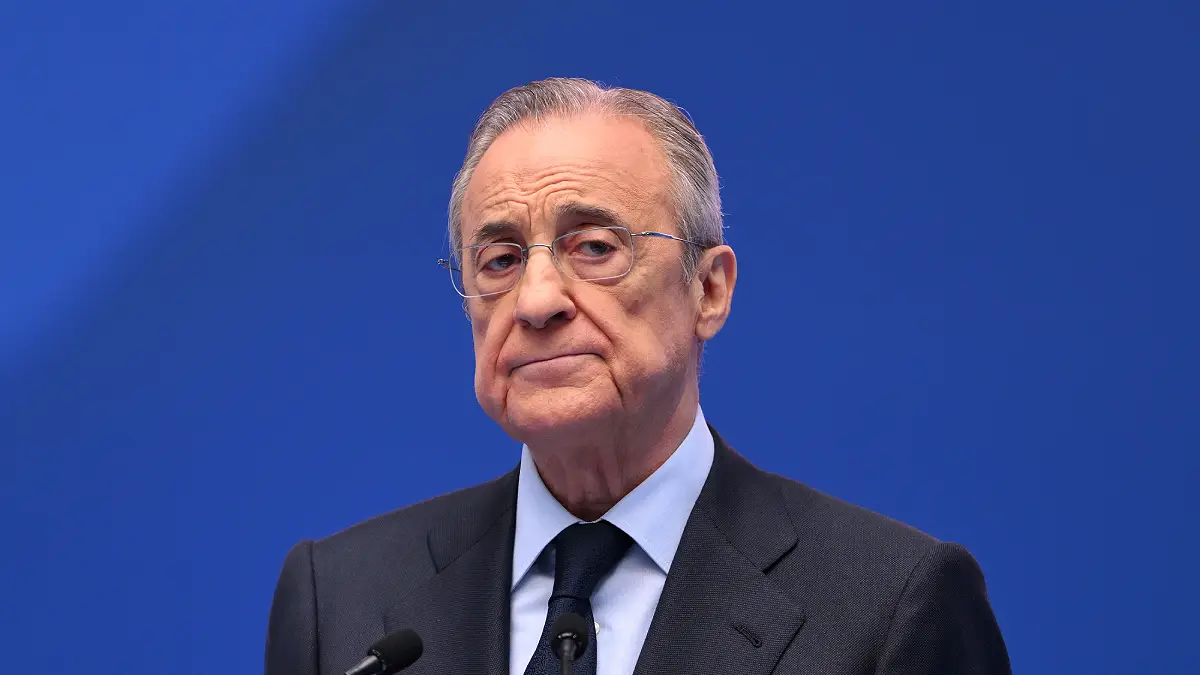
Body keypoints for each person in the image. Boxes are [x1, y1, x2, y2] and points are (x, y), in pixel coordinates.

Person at [265, 78, 1010, 675]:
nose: (536, 300)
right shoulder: (342, 599)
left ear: (708, 289)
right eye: (500, 260)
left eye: (593, 247)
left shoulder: (890, 606)